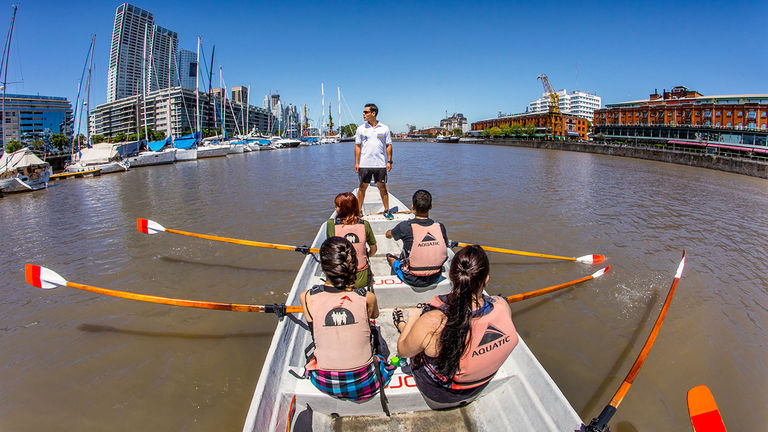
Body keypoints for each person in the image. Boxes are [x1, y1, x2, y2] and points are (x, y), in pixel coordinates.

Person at [392, 245, 519, 410]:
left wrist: (413, 318)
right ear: (486, 279)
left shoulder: (434, 320)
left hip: (439, 393)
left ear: (452, 277)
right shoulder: (502, 306)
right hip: (477, 388)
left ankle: (403, 325)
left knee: (417, 329)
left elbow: (402, 351)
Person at [299, 236, 394, 402]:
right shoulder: (367, 297)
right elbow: (375, 316)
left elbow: (313, 325)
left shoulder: (306, 297)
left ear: (322, 266)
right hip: (366, 381)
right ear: (353, 265)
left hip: (325, 382)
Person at [385, 189, 448, 287]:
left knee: (390, 258)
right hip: (435, 276)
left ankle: (395, 263)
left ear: (413, 206)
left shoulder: (404, 226)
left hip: (412, 278)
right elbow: (445, 245)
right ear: (430, 207)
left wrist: (389, 232)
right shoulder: (440, 227)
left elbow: (388, 235)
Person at [326, 192, 377, 289]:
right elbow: (374, 249)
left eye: (337, 206)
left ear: (344, 209)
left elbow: (330, 251)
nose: (335, 209)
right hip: (361, 278)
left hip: (340, 278)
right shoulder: (365, 224)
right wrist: (366, 255)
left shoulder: (331, 224)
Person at [355, 103, 393, 218]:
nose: (363, 114)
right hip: (365, 164)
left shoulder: (384, 128)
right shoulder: (360, 129)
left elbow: (388, 145)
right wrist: (356, 162)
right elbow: (357, 146)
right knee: (362, 187)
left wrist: (389, 161)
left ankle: (386, 210)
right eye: (364, 112)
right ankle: (358, 211)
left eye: (366, 112)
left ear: (373, 113)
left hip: (380, 164)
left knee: (382, 187)